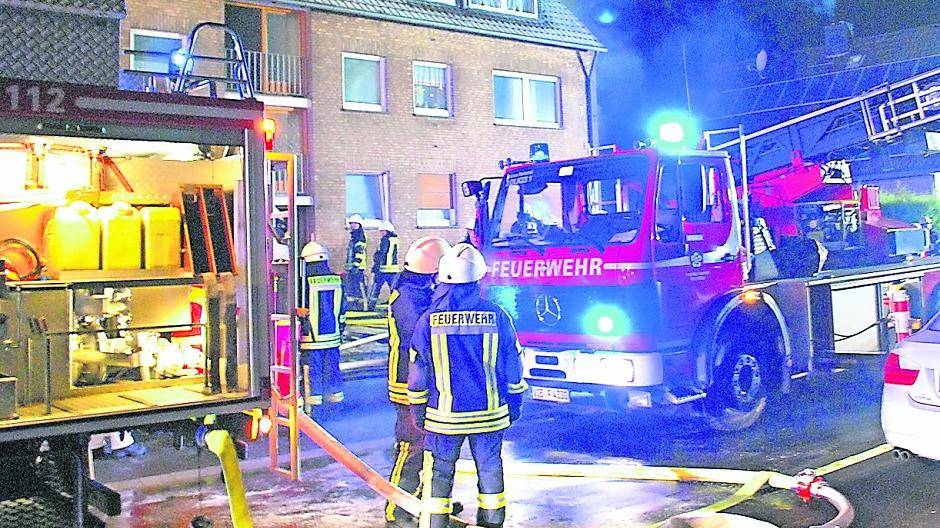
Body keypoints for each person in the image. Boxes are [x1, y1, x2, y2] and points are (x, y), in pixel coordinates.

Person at [408, 243, 528, 528]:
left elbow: (418, 372)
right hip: (489, 415)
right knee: (490, 471)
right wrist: (516, 401)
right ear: (478, 279)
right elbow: (513, 363)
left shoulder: (428, 321)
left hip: (444, 418)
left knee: (440, 474)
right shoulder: (497, 316)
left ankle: (436, 524)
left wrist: (417, 408)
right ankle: (491, 522)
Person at [384, 236, 452, 528]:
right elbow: (422, 336)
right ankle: (396, 508)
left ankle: (420, 499)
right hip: (407, 382)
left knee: (428, 443)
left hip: (422, 380)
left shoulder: (417, 292)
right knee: (410, 445)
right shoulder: (409, 298)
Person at [298, 240, 345, 416]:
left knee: (313, 373)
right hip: (333, 338)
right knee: (333, 370)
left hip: (312, 340)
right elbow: (343, 308)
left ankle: (313, 408)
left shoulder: (304, 281)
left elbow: (300, 309)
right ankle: (336, 405)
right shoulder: (336, 279)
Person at [369, 221, 402, 311]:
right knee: (394, 289)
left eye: (383, 231)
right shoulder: (394, 239)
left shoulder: (385, 240)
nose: (381, 233)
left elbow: (381, 254)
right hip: (393, 270)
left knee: (376, 288)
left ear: (387, 231)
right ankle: (397, 306)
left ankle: (371, 306)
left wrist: (376, 267)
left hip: (383, 269)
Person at [345, 214, 368, 311]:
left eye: (355, 223)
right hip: (352, 268)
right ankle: (354, 306)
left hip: (357, 268)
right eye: (351, 223)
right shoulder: (354, 237)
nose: (352, 225)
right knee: (352, 288)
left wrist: (356, 265)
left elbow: (359, 253)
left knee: (359, 287)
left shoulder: (359, 237)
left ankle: (363, 306)